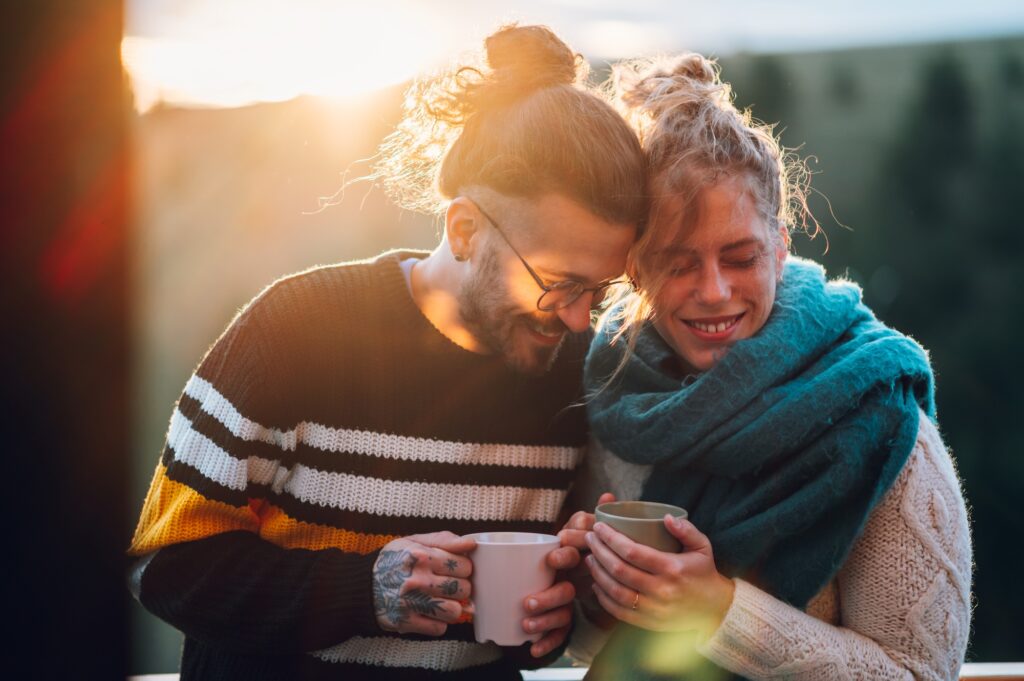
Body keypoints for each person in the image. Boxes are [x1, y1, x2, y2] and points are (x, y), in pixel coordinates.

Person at [127, 24, 647, 680]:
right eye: (558, 285)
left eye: (599, 290)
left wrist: (553, 618)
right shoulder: (293, 330)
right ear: (464, 229)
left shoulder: (571, 370)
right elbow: (165, 565)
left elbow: (524, 620)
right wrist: (363, 587)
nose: (578, 319)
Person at [560, 53, 972, 680]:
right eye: (677, 263)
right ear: (636, 268)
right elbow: (600, 648)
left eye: (741, 257)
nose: (716, 292)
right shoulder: (621, 396)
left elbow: (919, 672)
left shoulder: (878, 415)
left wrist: (719, 611)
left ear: (779, 247)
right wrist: (597, 589)